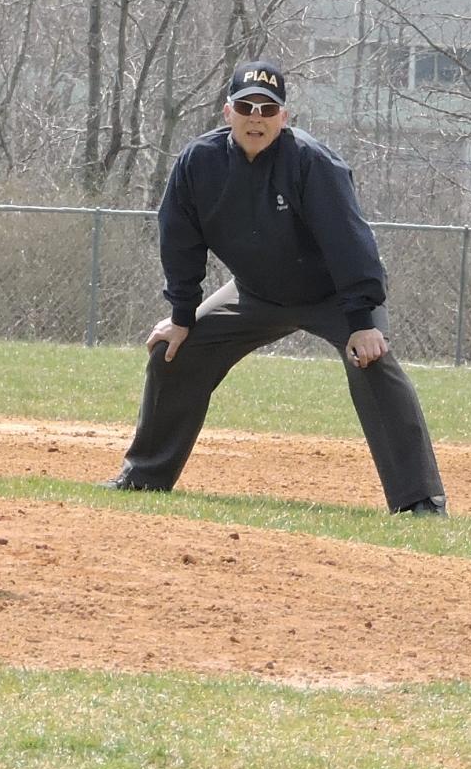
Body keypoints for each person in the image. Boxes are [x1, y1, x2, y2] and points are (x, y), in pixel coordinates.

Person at [109, 59, 446, 513]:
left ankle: (420, 501)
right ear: (227, 112)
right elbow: (179, 240)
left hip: (333, 296)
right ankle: (145, 477)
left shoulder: (313, 163)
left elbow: (350, 243)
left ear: (284, 118)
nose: (256, 117)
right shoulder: (199, 163)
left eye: (268, 110)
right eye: (246, 106)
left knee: (373, 363)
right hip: (255, 293)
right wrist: (182, 316)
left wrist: (363, 321)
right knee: (173, 352)